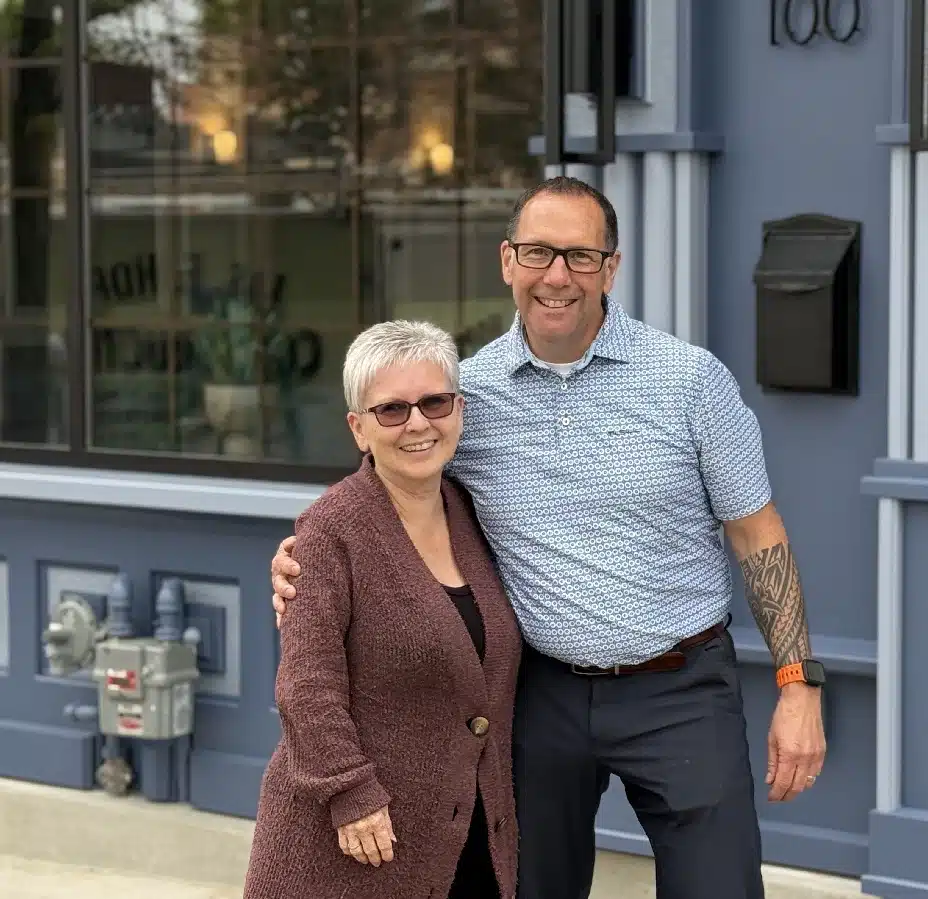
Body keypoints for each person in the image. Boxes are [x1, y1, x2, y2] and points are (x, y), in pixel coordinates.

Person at [271, 177, 827, 899]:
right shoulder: (462, 396)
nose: (556, 276)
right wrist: (301, 557)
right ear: (507, 261)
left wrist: (798, 685)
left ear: (610, 267)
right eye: (537, 253)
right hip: (535, 694)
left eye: (579, 255)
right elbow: (381, 496)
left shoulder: (689, 381)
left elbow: (759, 535)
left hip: (682, 688)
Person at [243, 321, 521, 899]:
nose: (418, 423)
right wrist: (351, 795)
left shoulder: (475, 514)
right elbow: (307, 686)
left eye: (435, 402)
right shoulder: (331, 530)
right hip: (358, 842)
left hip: (467, 831)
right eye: (391, 410)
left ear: (458, 409)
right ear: (359, 429)